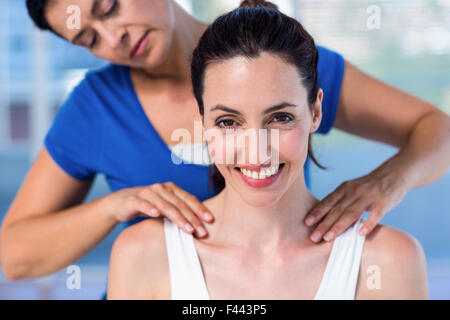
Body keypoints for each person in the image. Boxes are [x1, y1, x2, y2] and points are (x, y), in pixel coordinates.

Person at [1, 0, 448, 292]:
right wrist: (117, 205)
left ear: (314, 110)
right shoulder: (95, 108)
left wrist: (385, 182)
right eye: (89, 38)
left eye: (111, 7)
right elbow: (15, 257)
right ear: (202, 121)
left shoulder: (284, 59)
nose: (113, 36)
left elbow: (436, 129)